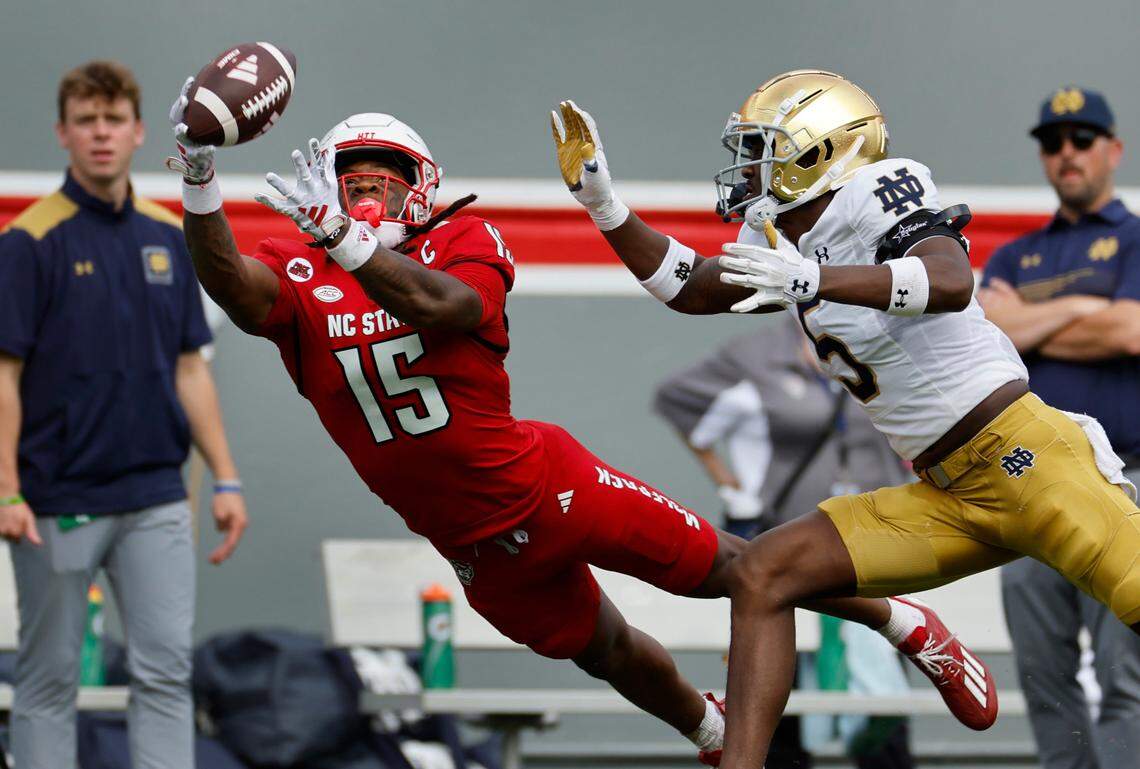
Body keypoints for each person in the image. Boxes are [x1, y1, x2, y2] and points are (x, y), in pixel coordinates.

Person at [164, 72, 992, 767]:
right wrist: (199, 174)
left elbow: (448, 306)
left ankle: (906, 622)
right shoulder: (299, 265)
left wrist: (350, 243)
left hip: (547, 484)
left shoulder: (461, 237)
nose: (365, 186)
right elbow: (235, 289)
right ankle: (708, 730)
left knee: (737, 570)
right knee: (611, 652)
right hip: (470, 543)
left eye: (384, 174)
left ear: (420, 183)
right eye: (352, 174)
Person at [550, 69, 1140, 768]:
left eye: (765, 149)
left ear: (819, 150)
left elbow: (950, 281)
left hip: (1028, 460)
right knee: (762, 573)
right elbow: (692, 288)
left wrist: (813, 280)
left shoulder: (878, 188)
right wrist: (605, 204)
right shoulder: (780, 229)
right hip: (946, 493)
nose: (749, 168)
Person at [0, 61, 249, 769]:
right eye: (86, 121)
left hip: (156, 499)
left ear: (139, 132)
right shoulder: (28, 244)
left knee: (166, 675)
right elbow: (3, 378)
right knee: (48, 682)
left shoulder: (170, 234)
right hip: (55, 500)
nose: (101, 134)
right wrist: (7, 488)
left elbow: (190, 366)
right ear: (63, 134)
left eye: (114, 121)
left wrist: (226, 479)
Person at [654, 317, 914, 769]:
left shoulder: (884, 342)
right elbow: (677, 399)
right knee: (780, 699)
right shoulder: (758, 353)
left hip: (876, 537)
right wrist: (733, 487)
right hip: (786, 538)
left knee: (884, 691)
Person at [978, 86, 1140, 769]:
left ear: (1112, 149)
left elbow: (1131, 330)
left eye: (1081, 138)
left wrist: (1033, 323)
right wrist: (1085, 307)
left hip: (1125, 482)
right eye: (1053, 142)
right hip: (1029, 489)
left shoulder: (1135, 240)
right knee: (1045, 682)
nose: (1066, 153)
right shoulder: (1014, 258)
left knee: (1125, 679)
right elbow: (989, 336)